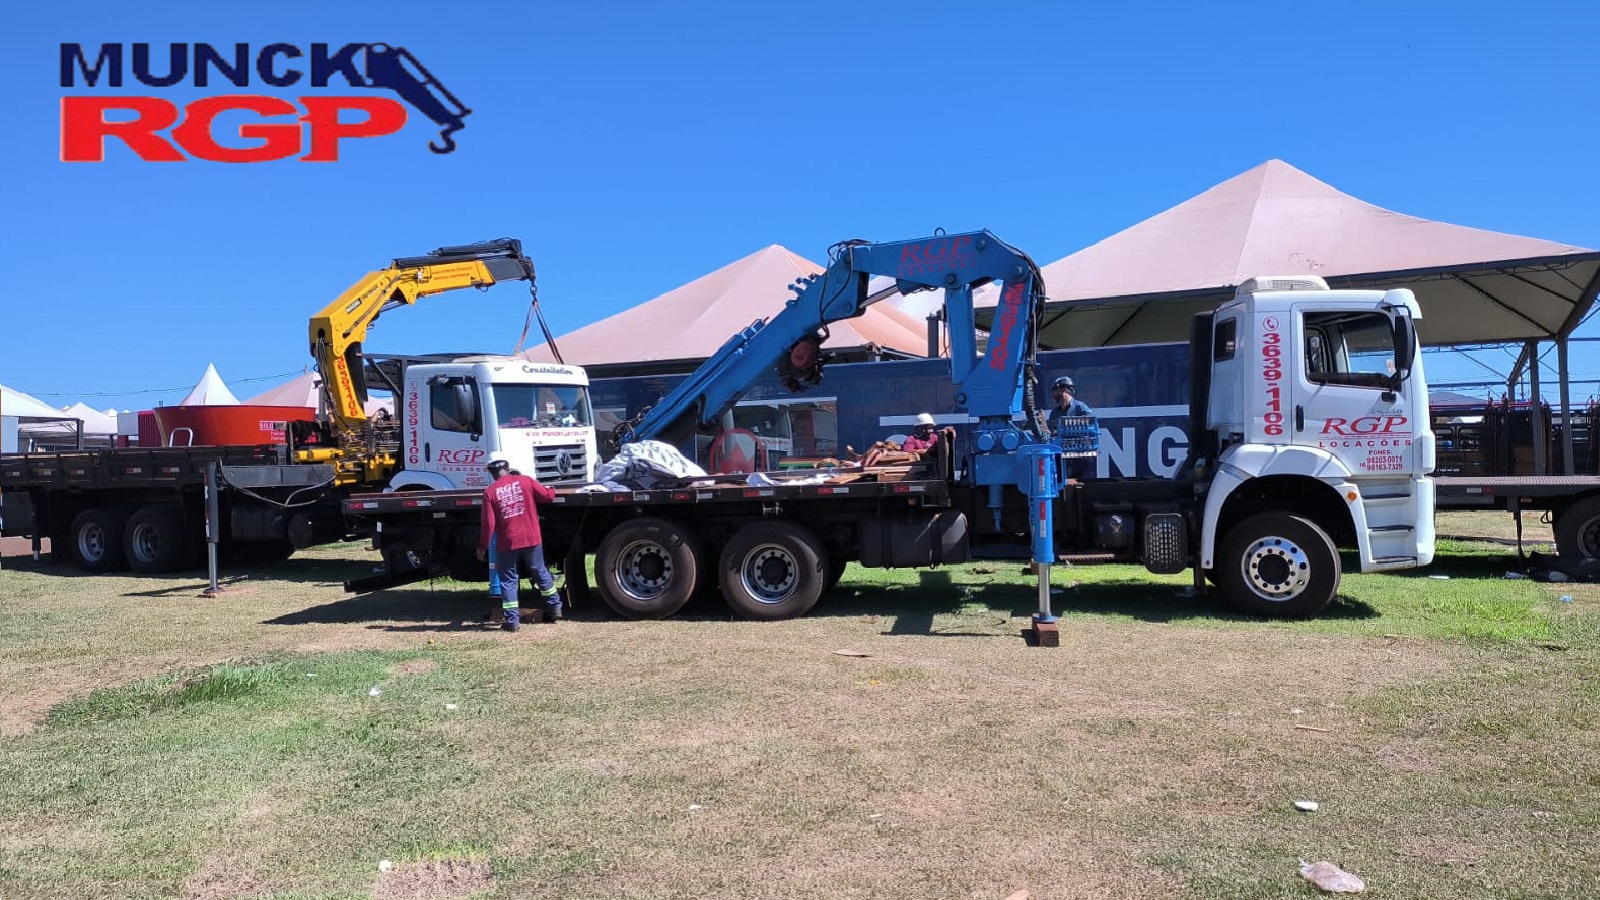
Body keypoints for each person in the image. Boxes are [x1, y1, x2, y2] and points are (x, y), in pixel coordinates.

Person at [478, 452, 560, 630]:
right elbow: (547, 496)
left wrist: (482, 547)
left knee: (508, 580)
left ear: (491, 472)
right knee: (540, 571)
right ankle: (555, 607)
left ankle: (512, 622)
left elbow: (488, 523)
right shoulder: (526, 481)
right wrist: (552, 489)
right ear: (507, 468)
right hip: (532, 538)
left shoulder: (490, 492)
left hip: (507, 543)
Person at [1047, 375, 1097, 481]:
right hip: (1062, 458)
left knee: (1084, 487)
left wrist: (1068, 428)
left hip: (1081, 457)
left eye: (1056, 391)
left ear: (1064, 389)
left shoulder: (1081, 408)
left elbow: (1091, 423)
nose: (1054, 395)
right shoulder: (1054, 413)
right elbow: (1051, 432)